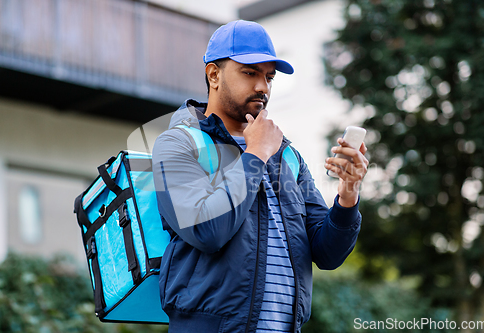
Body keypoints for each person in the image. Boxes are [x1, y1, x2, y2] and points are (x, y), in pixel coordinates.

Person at [151, 20, 368, 333]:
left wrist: (348, 195)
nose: (263, 87)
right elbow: (208, 230)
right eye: (249, 73)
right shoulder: (179, 143)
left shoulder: (287, 156)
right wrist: (255, 155)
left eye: (269, 76)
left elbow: (328, 253)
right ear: (214, 74)